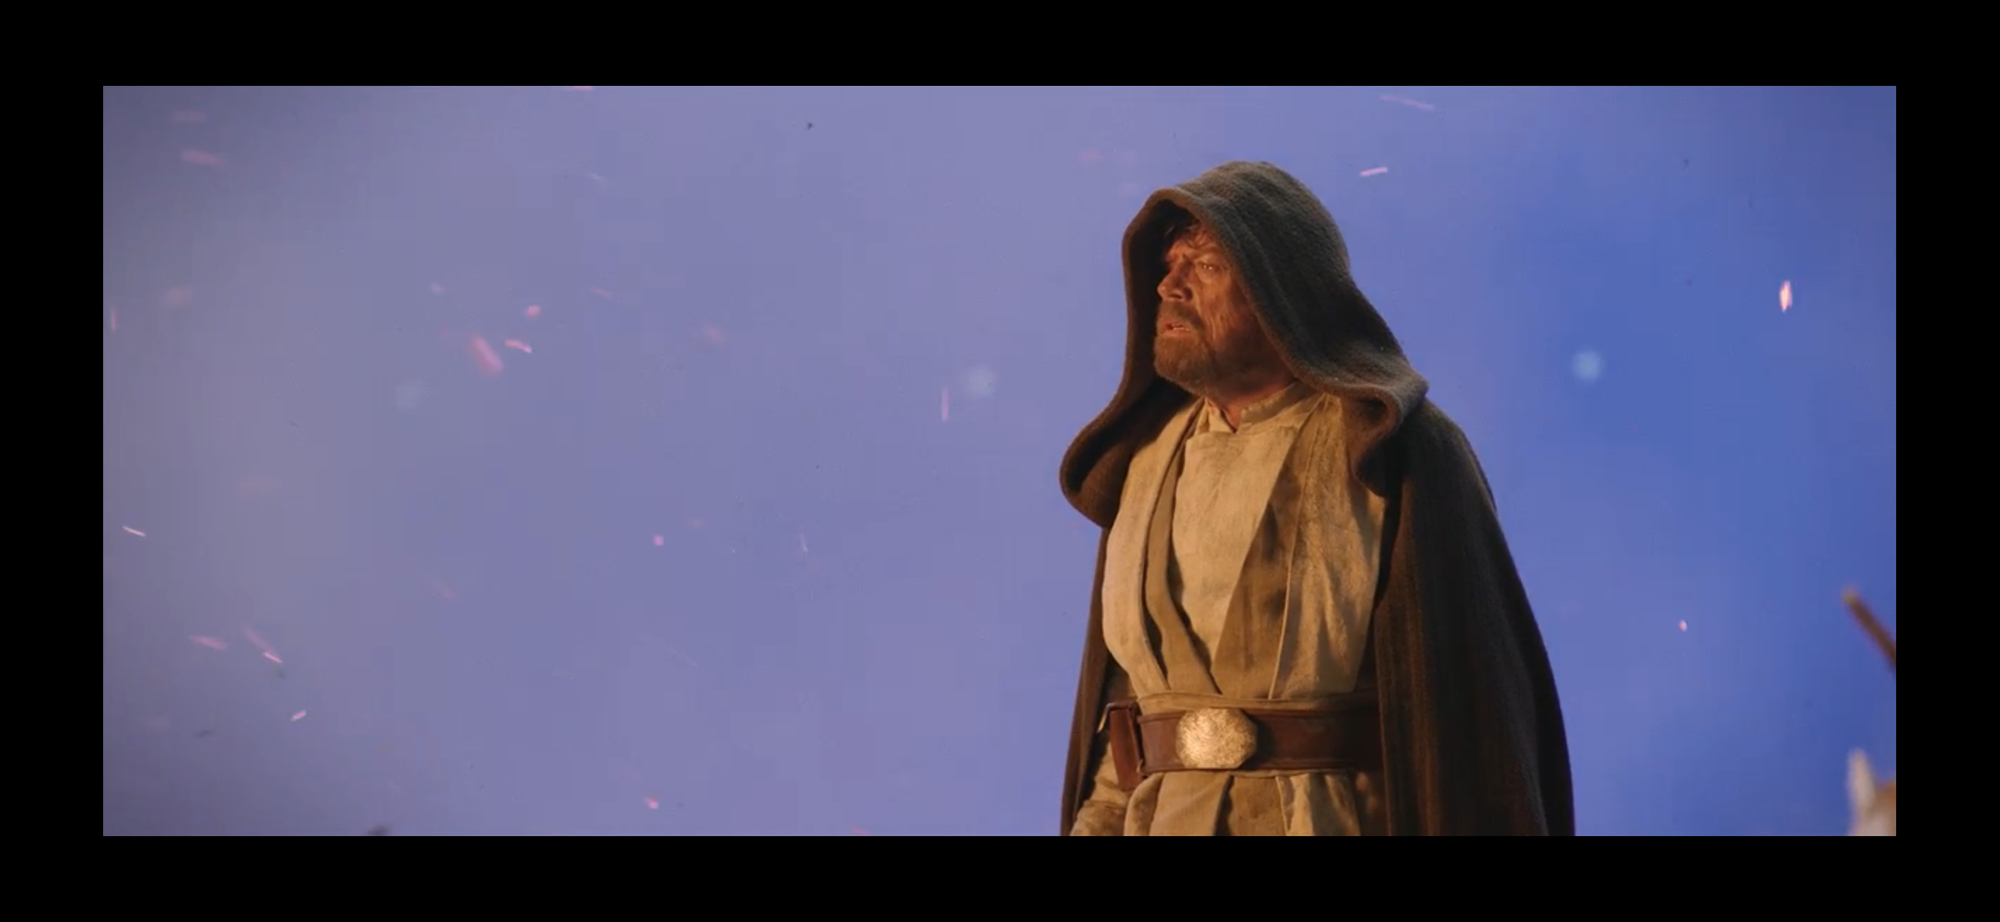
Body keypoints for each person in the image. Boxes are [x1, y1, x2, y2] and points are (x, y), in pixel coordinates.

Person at [1057, 160, 1574, 835]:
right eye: (1169, 264)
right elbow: (1124, 723)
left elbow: (1474, 718)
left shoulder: (1390, 451)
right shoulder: (1142, 465)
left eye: (1206, 266)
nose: (1169, 286)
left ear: (1284, 292)